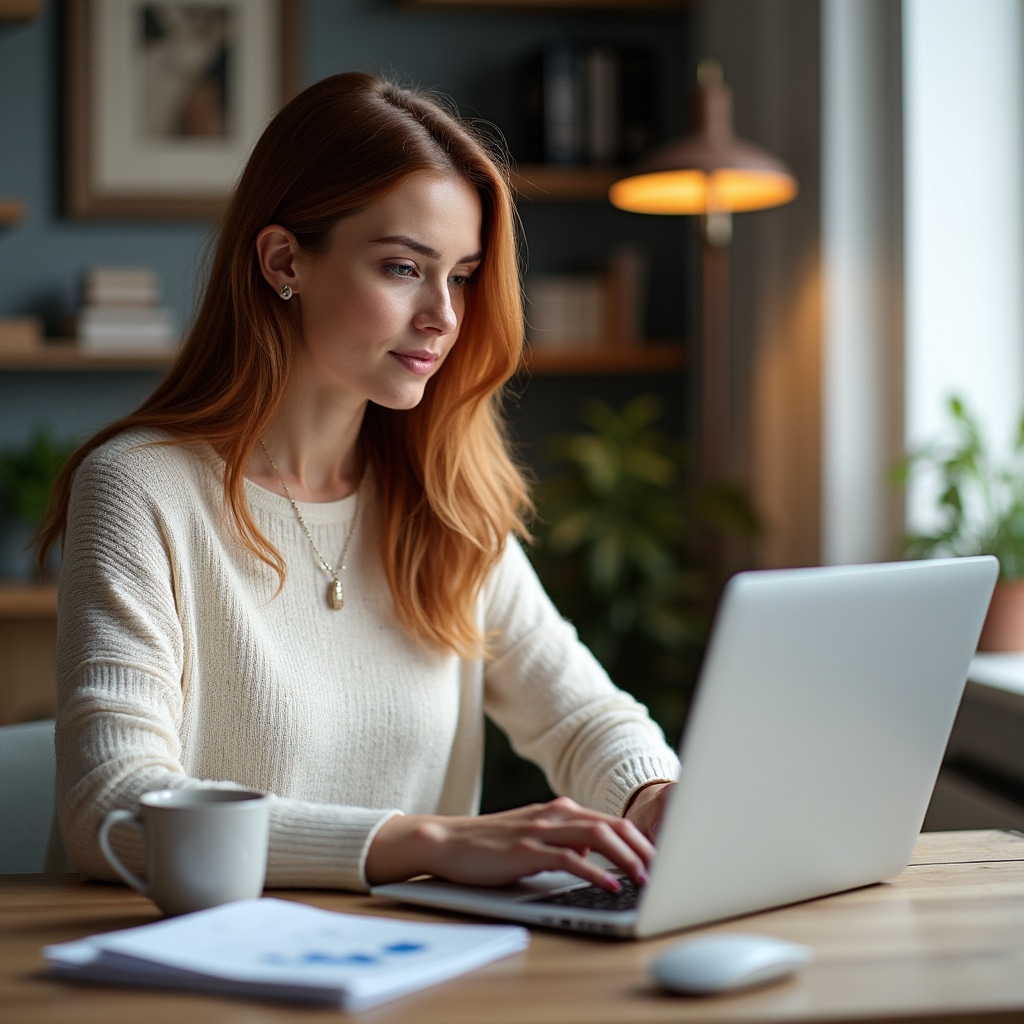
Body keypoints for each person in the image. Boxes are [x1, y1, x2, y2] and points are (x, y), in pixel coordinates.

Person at [38, 72, 680, 895]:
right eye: (404, 268)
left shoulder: (442, 498)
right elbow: (113, 809)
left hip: (408, 975)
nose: (444, 317)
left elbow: (581, 714)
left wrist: (655, 795)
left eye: (462, 274)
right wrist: (430, 842)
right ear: (283, 262)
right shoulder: (141, 490)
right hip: (184, 977)